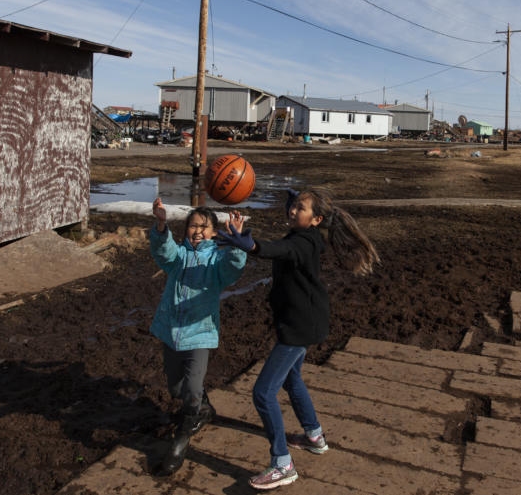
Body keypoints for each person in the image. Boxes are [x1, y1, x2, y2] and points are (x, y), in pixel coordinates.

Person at [218, 187, 379, 490]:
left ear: (316, 219)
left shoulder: (305, 242)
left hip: (299, 327)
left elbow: (280, 251)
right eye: (293, 205)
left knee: (263, 393)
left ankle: (282, 463)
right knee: (292, 380)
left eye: (300, 208)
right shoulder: (302, 236)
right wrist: (251, 239)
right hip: (301, 320)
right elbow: (282, 247)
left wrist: (250, 246)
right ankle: (314, 436)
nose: (293, 210)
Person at [149, 197, 247, 476]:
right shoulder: (178, 257)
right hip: (171, 331)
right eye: (193, 226)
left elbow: (233, 268)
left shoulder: (216, 261)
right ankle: (203, 408)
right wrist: (160, 224)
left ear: (215, 233)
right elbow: (163, 252)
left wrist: (237, 244)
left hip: (201, 333)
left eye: (205, 227)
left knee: (191, 389)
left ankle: (182, 439)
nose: (198, 231)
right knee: (176, 389)